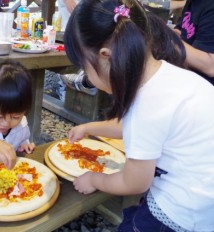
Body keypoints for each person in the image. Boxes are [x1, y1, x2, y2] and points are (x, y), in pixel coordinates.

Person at [64, 0, 214, 231]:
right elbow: (137, 128)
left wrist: (94, 179)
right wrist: (90, 128)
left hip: (180, 214)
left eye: (85, 66)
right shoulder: (168, 75)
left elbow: (134, 182)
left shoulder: (147, 104)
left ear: (105, 56)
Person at [174, 0, 214, 85]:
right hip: (188, 74)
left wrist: (169, 40)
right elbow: (183, 32)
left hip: (205, 87)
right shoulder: (193, 2)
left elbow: (210, 66)